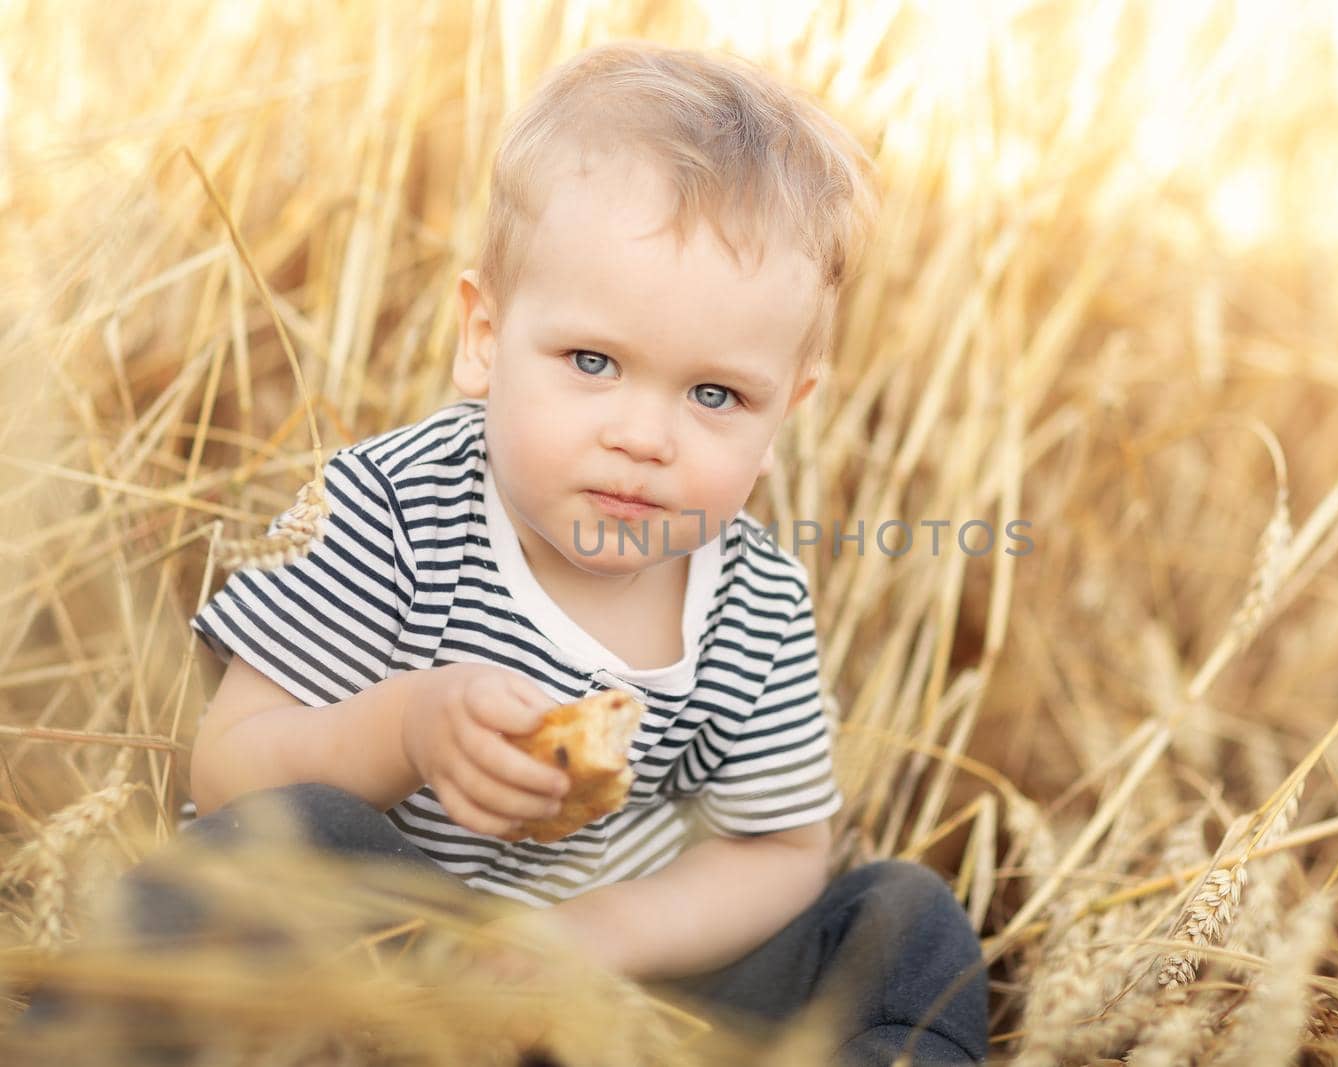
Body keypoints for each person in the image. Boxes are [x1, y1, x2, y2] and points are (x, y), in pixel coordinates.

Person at [11, 41, 988, 1067]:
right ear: (484, 334)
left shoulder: (755, 597)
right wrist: (405, 727)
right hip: (390, 938)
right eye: (592, 361)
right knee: (282, 839)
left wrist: (596, 936)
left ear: (786, 409)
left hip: (631, 985)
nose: (644, 435)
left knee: (900, 917)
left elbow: (781, 850)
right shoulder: (396, 505)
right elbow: (231, 768)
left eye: (715, 395)